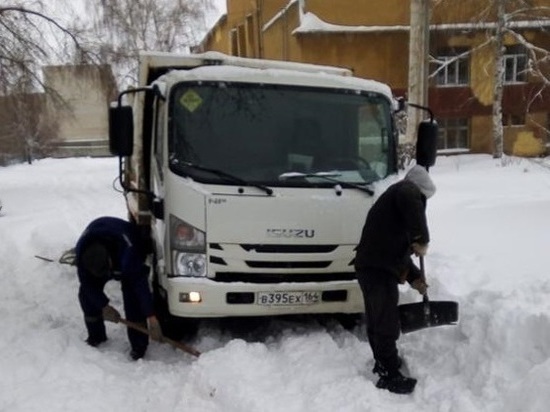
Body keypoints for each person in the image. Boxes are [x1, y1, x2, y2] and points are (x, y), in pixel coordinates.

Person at [354, 164, 436, 394]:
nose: (422, 204)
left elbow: (395, 252)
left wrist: (415, 278)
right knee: (385, 322)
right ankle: (388, 375)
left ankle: (385, 362)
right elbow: (409, 195)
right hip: (376, 270)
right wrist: (421, 237)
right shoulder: (405, 190)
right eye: (423, 199)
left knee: (379, 320)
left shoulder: (393, 213)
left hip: (374, 267)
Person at [75, 216, 163, 360]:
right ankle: (96, 336)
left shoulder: (129, 252)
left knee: (133, 299)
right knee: (86, 296)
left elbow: (140, 287)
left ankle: (139, 347)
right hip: (101, 243)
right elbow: (87, 284)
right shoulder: (82, 254)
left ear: (109, 259)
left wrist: (151, 317)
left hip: (127, 243)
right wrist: (103, 306)